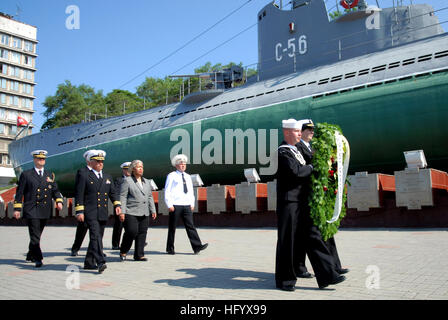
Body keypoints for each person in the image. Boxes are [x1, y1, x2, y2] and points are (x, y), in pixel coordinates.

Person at [275, 119, 345, 291]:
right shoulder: (283, 152)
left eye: (300, 131)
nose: (300, 133)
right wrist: (313, 167)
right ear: (287, 133)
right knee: (287, 241)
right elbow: (296, 172)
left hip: (302, 202)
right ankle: (285, 280)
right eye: (296, 131)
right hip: (289, 203)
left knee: (314, 236)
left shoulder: (295, 151)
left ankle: (328, 275)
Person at [296, 119, 349, 275]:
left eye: (312, 129)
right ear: (301, 131)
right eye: (308, 129)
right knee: (308, 236)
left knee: (326, 231)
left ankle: (335, 266)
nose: (312, 132)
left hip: (319, 197)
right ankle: (301, 268)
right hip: (307, 198)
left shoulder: (312, 147)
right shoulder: (297, 148)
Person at [13, 150, 64, 268]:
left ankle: (31, 253)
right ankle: (38, 258)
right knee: (35, 234)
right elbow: (20, 192)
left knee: (38, 234)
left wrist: (59, 201)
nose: (42, 161)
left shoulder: (49, 175)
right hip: (32, 209)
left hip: (44, 209)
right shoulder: (26, 174)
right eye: (39, 159)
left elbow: (55, 190)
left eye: (43, 159)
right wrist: (17, 208)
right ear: (34, 160)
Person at [74, 150, 121, 273]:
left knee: (97, 237)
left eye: (102, 161)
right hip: (90, 211)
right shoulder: (85, 175)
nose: (100, 163)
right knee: (95, 236)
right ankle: (100, 262)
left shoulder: (107, 176)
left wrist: (117, 204)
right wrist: (79, 211)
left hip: (102, 212)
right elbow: (79, 194)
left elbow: (112, 193)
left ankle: (89, 262)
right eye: (98, 161)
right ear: (92, 162)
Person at [164, 154, 208, 255]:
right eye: (180, 164)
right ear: (176, 165)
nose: (183, 165)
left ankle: (197, 246)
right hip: (175, 204)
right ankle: (170, 248)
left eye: (184, 164)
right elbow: (167, 191)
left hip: (186, 205)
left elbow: (191, 192)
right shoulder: (171, 176)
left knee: (190, 226)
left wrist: (191, 203)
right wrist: (169, 204)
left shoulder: (188, 177)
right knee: (172, 227)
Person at [119, 160, 157, 261]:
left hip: (144, 211)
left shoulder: (147, 181)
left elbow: (149, 196)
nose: (141, 169)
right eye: (138, 167)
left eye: (142, 167)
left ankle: (139, 255)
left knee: (142, 232)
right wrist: (122, 212)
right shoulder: (127, 181)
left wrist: (153, 210)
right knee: (131, 232)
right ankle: (123, 250)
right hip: (131, 211)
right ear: (133, 169)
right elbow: (123, 196)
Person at [111, 162, 131, 250]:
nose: (128, 171)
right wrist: (118, 205)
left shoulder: (135, 180)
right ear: (123, 170)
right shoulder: (119, 180)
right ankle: (115, 244)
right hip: (121, 206)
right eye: (126, 169)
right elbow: (116, 193)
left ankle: (138, 241)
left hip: (132, 206)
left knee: (133, 225)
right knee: (118, 226)